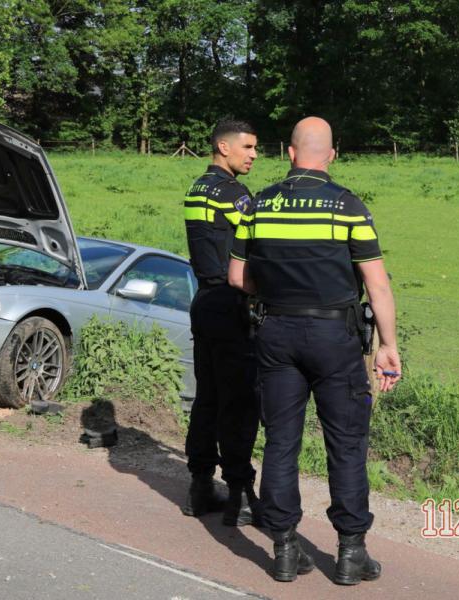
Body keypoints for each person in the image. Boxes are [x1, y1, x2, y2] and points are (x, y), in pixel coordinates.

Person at [228, 116, 401, 584]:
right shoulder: (348, 206)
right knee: (345, 444)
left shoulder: (259, 204)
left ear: (289, 152)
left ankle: (284, 549)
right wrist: (388, 345)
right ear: (332, 155)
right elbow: (377, 285)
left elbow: (236, 277)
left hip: (275, 332)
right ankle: (350, 553)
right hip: (334, 338)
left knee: (280, 441)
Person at [181, 119, 261, 527]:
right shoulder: (234, 194)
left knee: (207, 397)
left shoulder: (197, 187)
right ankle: (241, 496)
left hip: (203, 302)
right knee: (240, 402)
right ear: (223, 147)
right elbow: (258, 242)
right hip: (232, 305)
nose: (253, 155)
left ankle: (199, 485)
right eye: (247, 147)